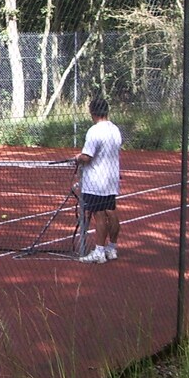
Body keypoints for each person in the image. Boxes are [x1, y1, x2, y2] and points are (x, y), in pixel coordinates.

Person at [77, 96, 122, 264]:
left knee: (99, 215)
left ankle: (99, 252)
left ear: (92, 112)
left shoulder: (94, 131)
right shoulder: (114, 129)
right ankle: (112, 248)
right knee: (111, 212)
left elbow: (87, 157)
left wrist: (77, 158)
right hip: (111, 179)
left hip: (96, 182)